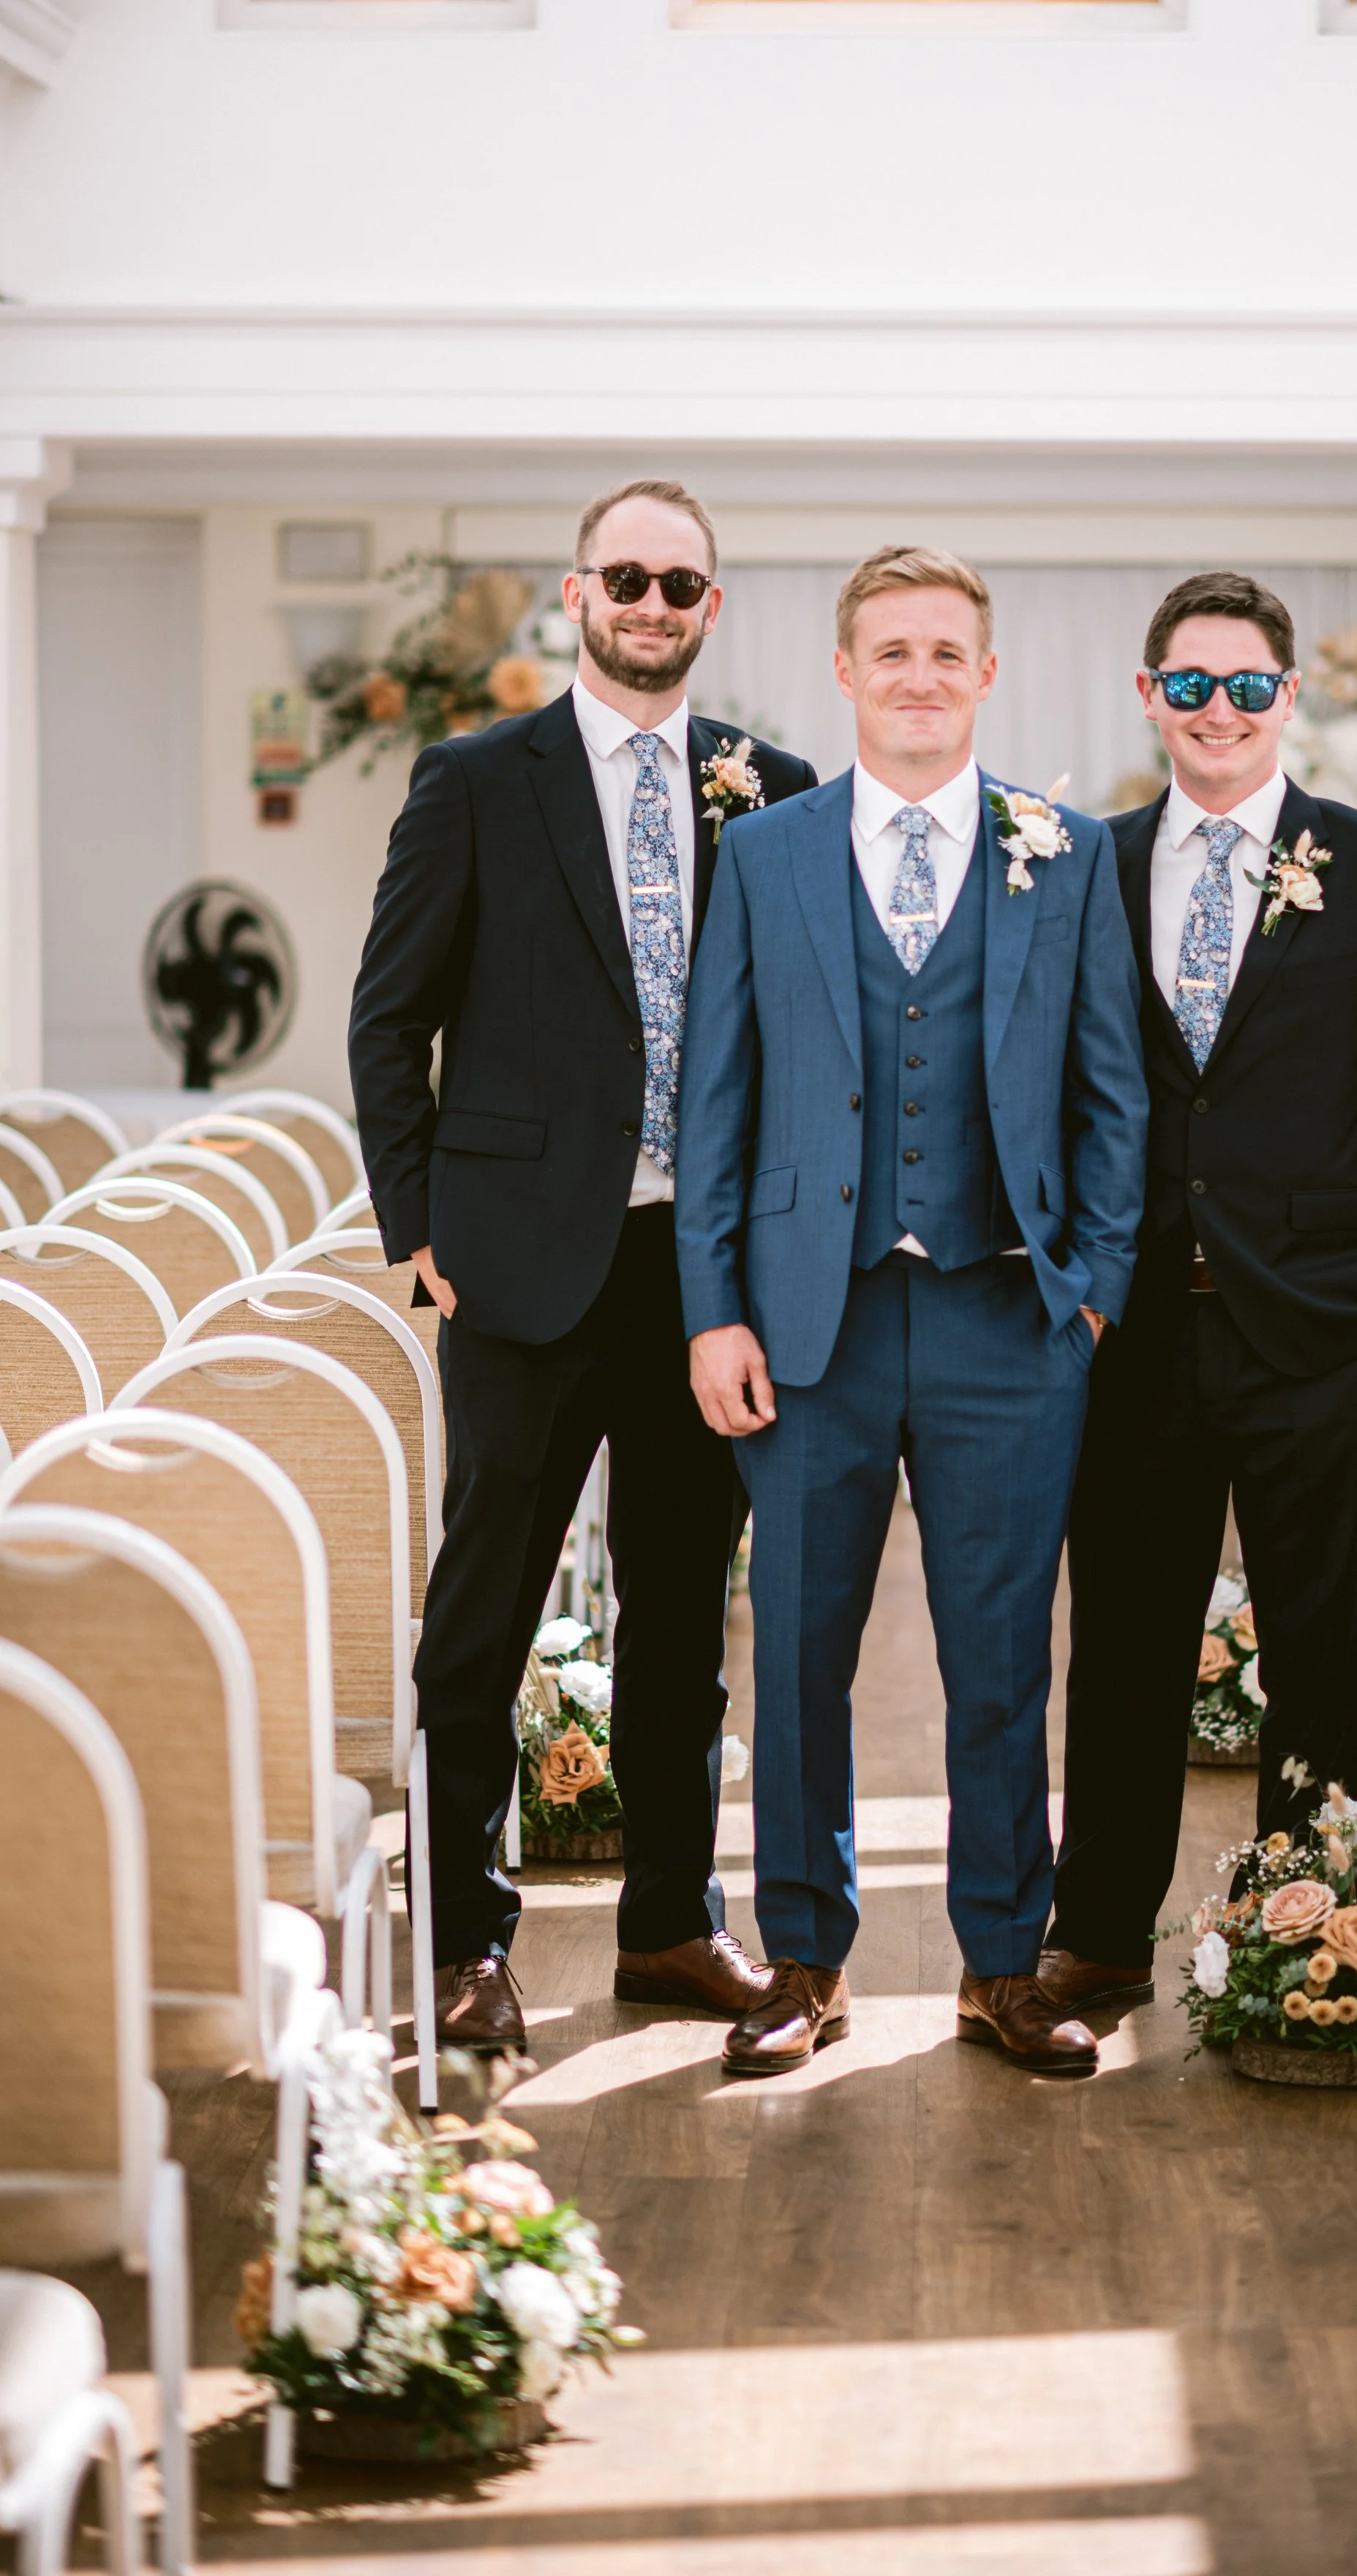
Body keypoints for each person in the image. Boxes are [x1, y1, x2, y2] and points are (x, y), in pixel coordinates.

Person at [349, 480, 818, 2046]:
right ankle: (466, 1944)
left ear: (709, 607)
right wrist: (415, 1242)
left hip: (701, 1273)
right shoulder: (475, 780)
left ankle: (671, 1927)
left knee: (689, 1618)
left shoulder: (773, 785)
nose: (651, 603)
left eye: (680, 584)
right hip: (516, 1268)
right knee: (483, 1613)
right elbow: (386, 1019)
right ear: (577, 592)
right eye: (626, 577)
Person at [674, 545, 1148, 2079]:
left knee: (999, 1655)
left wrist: (1084, 1296)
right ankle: (803, 1962)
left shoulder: (1062, 852)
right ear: (845, 670)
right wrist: (712, 1312)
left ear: (987, 675)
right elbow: (716, 1107)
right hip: (803, 1325)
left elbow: (1109, 1101)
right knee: (799, 1651)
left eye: (947, 652)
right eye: (892, 652)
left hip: (1005, 1326)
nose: (920, 677)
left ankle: (1002, 1965)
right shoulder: (766, 856)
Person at [1042, 571, 1357, 2016]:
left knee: (1311, 1657)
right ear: (1148, 698)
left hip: (1326, 1334)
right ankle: (1099, 1935)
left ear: (1285, 698)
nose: (1217, 711)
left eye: (1244, 686)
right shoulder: (1079, 869)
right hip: (1133, 1338)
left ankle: (1300, 1943)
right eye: (1188, 685)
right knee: (1119, 1648)